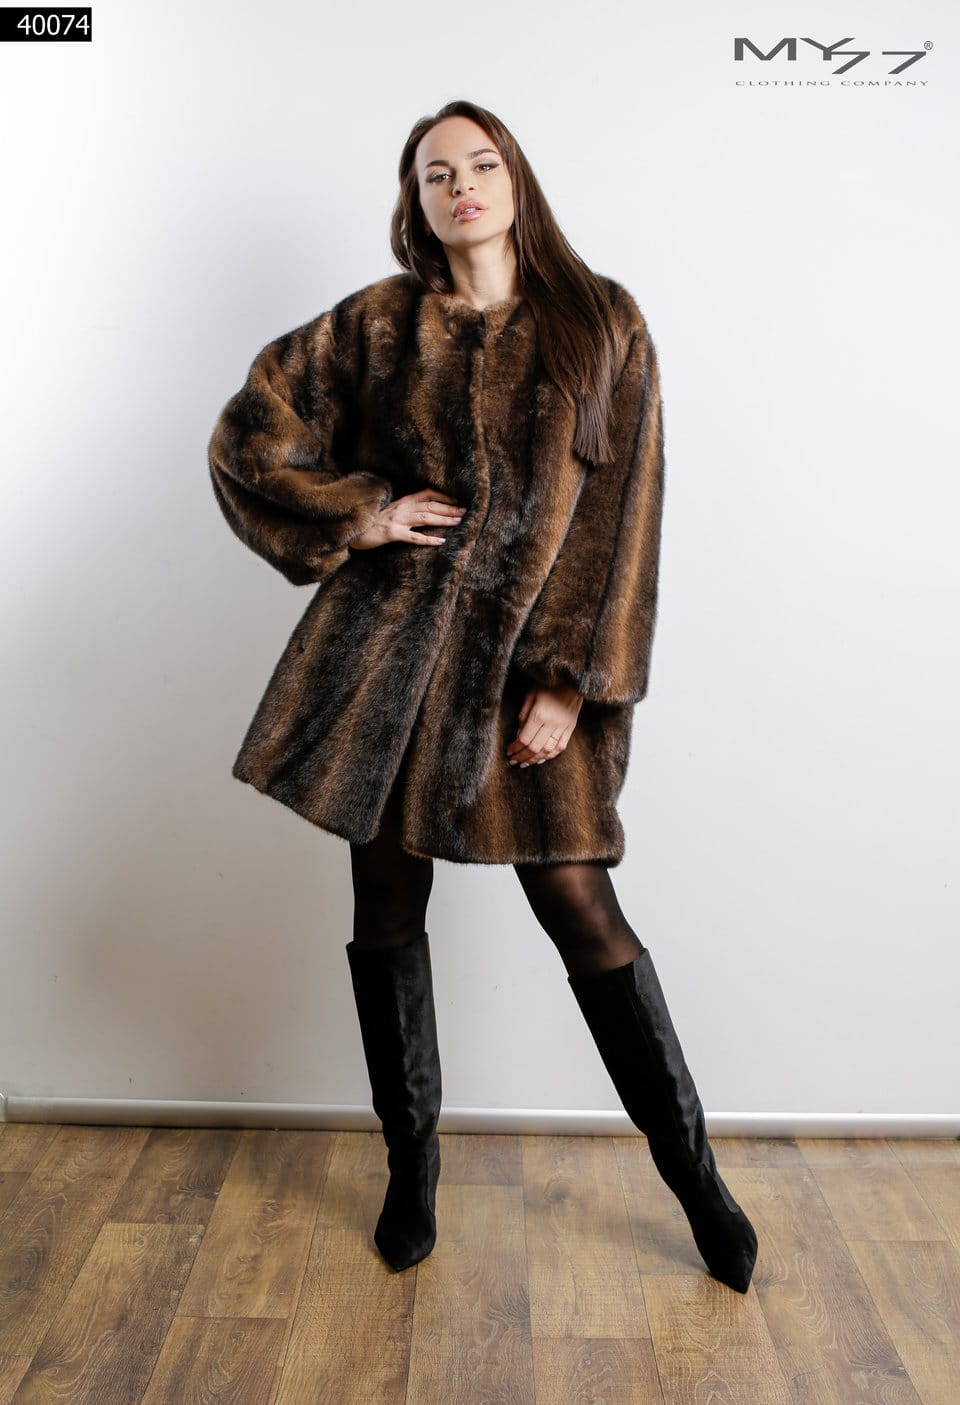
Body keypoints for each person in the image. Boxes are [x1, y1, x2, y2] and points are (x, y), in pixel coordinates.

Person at [207, 100, 758, 1293]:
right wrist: (362, 512)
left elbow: (624, 518)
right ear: (416, 200)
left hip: (528, 676)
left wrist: (569, 681)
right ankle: (412, 1169)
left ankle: (697, 1180)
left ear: (516, 180)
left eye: (482, 164)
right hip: (388, 667)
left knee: (580, 906)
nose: (462, 186)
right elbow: (252, 429)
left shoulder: (600, 321)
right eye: (436, 174)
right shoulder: (380, 324)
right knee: (386, 904)